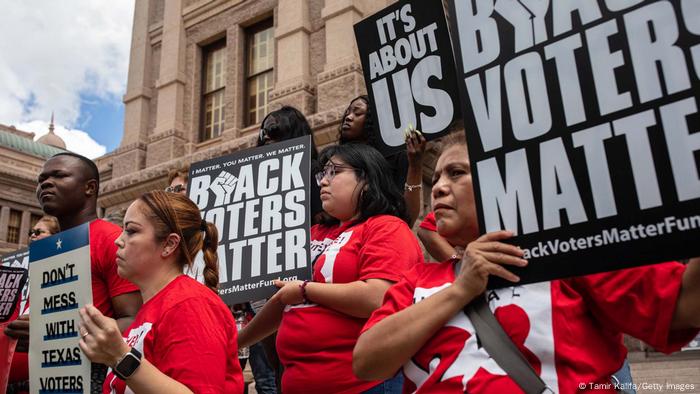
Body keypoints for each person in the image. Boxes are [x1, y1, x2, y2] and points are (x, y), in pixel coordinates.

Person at [354, 132, 700, 393]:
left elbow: (686, 303)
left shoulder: (568, 253)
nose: (440, 188)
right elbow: (367, 361)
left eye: (457, 173)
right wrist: (461, 290)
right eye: (439, 177)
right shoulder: (417, 280)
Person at [239, 143, 423, 393]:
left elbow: (379, 297)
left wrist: (306, 290)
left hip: (363, 385)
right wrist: (234, 343)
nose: (323, 182)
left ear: (366, 179)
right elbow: (284, 298)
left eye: (334, 172)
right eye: (322, 174)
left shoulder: (386, 227)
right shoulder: (313, 234)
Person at [78, 190, 244, 393]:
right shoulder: (151, 310)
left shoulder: (191, 304)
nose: (118, 241)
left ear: (169, 244)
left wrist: (120, 357)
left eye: (131, 231)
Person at [4, 152, 142, 391]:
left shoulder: (111, 239)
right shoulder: (47, 248)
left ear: (90, 188)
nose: (45, 183)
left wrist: (53, 335)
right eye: (42, 179)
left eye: (59, 176)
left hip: (88, 380)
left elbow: (134, 321)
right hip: (39, 380)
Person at [339, 95, 426, 225]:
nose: (348, 117)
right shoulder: (338, 159)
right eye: (347, 112)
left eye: (357, 113)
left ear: (373, 120)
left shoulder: (397, 156)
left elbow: (408, 216)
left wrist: (415, 165)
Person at [4, 215, 60, 394]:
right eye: (31, 232)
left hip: (34, 378)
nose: (33, 236)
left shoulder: (61, 270)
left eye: (39, 232)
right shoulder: (16, 268)